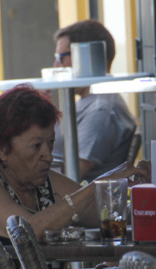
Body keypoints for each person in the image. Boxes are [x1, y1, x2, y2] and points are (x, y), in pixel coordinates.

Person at [0, 84, 148, 269]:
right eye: (36, 146)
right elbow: (27, 233)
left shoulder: (39, 180)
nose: (48, 156)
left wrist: (148, 201)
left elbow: (102, 214)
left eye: (50, 143)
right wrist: (100, 184)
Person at [52, 20, 137, 181]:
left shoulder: (101, 109)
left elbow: (72, 177)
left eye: (60, 57)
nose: (56, 66)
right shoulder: (89, 101)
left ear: (86, 56)